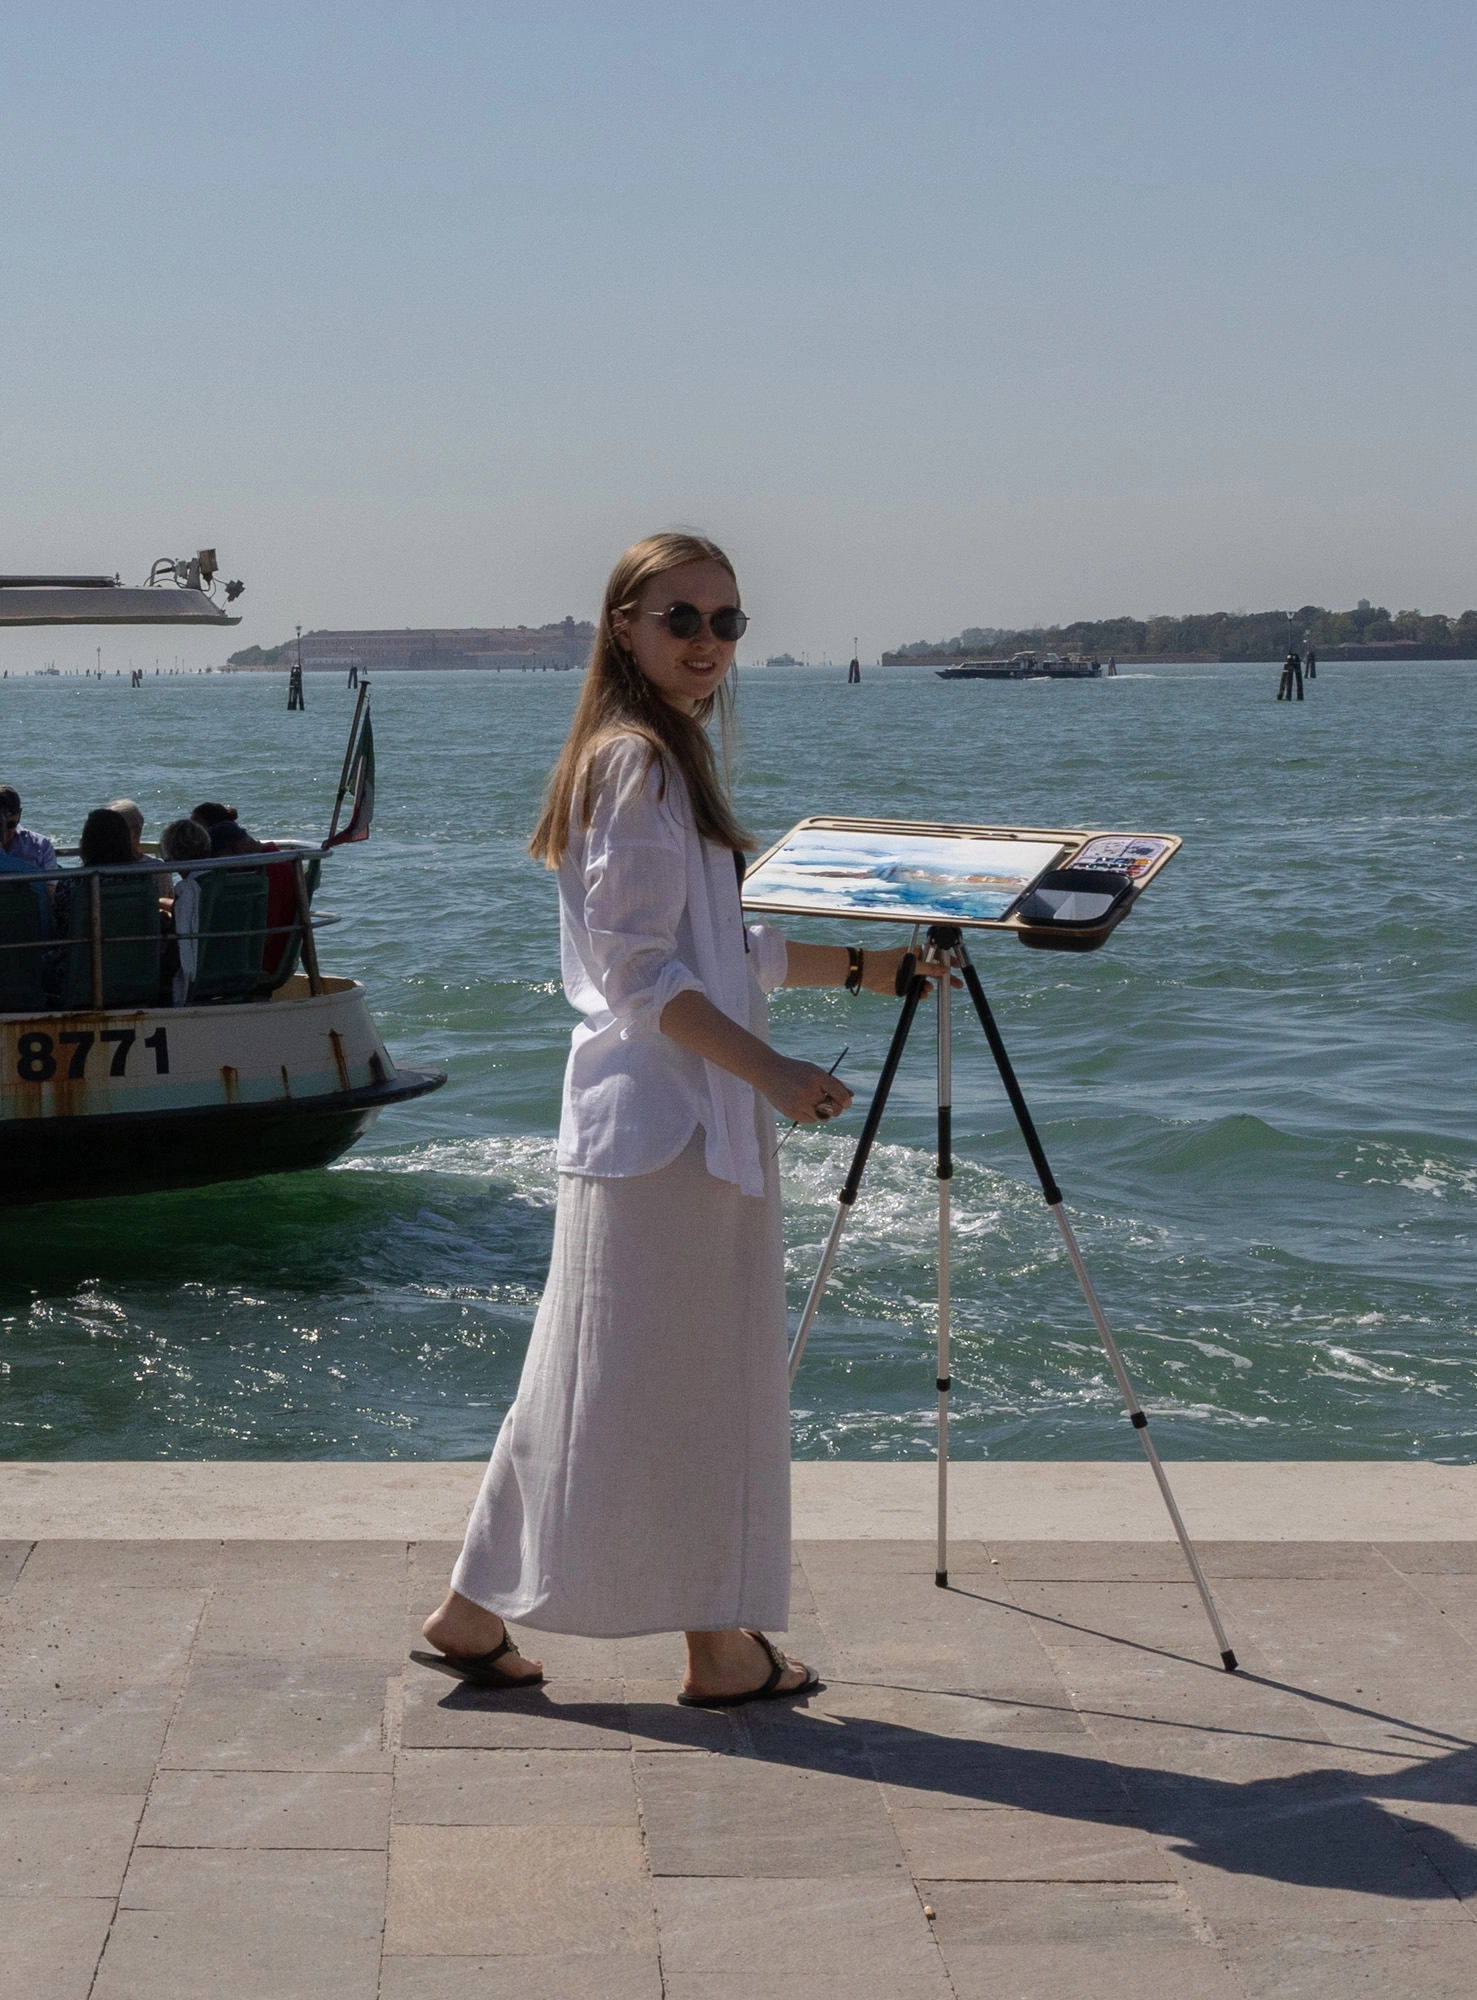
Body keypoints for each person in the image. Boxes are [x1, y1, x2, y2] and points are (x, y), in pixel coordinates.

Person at [418, 532, 926, 1707]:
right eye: (681, 619)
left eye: (727, 622)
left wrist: (872, 965)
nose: (708, 644)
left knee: (592, 1379)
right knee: (692, 1387)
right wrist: (775, 1075)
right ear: (625, 629)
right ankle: (717, 1645)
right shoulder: (639, 762)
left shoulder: (648, 757)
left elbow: (723, 948)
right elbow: (646, 976)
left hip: (647, 1128)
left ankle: (471, 1608)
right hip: (673, 1129)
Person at [158, 817, 212, 1004]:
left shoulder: (188, 890)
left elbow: (176, 955)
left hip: (192, 983)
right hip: (217, 970)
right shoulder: (217, 881)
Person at [0, 786, 58, 874]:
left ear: (19, 815)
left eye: (10, 824)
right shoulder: (31, 870)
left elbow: (50, 886)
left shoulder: (41, 845)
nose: (4, 831)